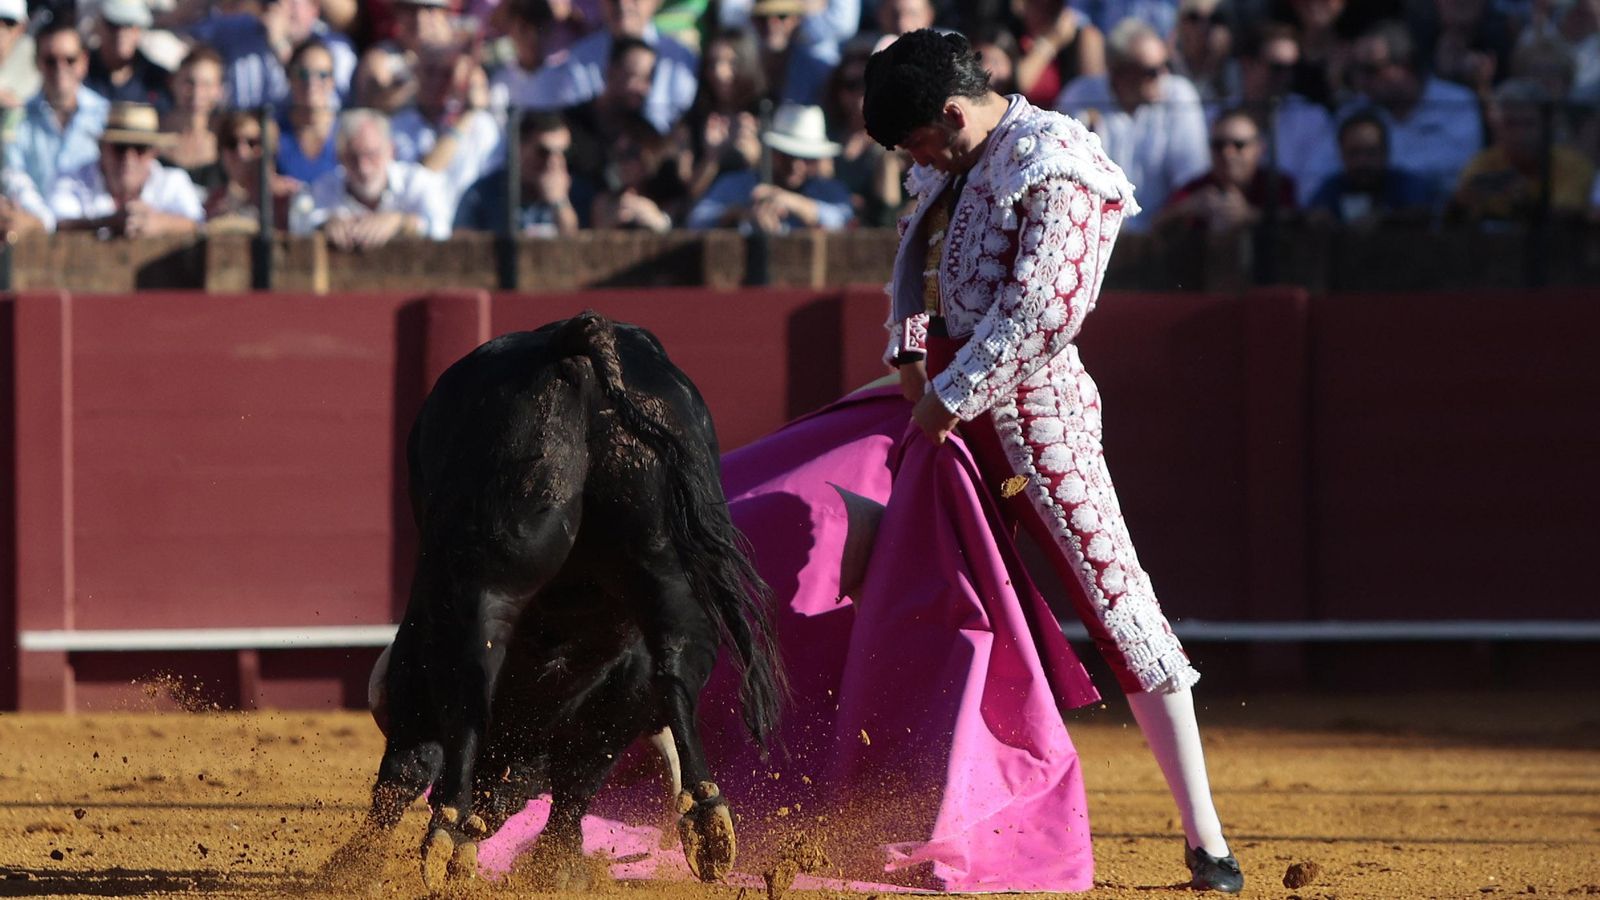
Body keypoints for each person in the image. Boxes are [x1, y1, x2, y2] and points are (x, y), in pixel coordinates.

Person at [863, 29, 1243, 892]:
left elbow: (1045, 310)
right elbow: (913, 252)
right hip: (948, 410)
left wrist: (944, 397)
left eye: (920, 142)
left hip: (1036, 418)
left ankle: (1207, 841)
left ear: (953, 114)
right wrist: (908, 347)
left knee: (1118, 601)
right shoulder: (951, 157)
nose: (916, 163)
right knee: (913, 592)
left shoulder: (1059, 159)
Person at [1054, 17, 1209, 231]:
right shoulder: (1079, 95)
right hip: (1094, 229)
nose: (1163, 75)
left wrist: (1156, 229)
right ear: (1120, 72)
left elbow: (1191, 181)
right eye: (1152, 71)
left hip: (1166, 233)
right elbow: (1066, 178)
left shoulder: (1179, 95)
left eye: (1166, 65)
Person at [1335, 18, 1483, 200]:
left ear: (1405, 65)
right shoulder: (1354, 110)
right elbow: (1330, 168)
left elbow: (1460, 168)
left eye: (1371, 70)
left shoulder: (1457, 102)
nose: (1361, 81)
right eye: (1356, 70)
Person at [289, 107, 454, 248]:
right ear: (340, 157)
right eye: (353, 157)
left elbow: (441, 229)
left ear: (391, 150)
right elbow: (299, 220)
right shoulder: (324, 187)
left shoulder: (419, 182)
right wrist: (325, 225)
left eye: (372, 155)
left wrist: (401, 223)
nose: (363, 167)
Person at [685, 101, 855, 233]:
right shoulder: (737, 184)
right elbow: (697, 220)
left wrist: (793, 203)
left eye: (806, 158)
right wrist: (739, 214)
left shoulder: (830, 191)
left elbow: (845, 219)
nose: (796, 165)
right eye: (787, 156)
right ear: (772, 151)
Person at [1448, 77, 1594, 224]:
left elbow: (1565, 217)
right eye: (1510, 124)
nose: (1519, 134)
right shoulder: (1483, 163)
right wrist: (1460, 204)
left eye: (1528, 124)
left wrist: (1525, 202)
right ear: (1494, 125)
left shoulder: (1574, 166)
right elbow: (1457, 217)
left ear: (1547, 126)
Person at [49, 100, 205, 237]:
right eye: (120, 148)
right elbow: (57, 224)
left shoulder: (174, 181)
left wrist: (160, 223)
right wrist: (108, 222)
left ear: (154, 152)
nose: (128, 159)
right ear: (102, 148)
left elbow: (198, 224)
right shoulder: (72, 179)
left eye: (139, 148)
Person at [188, 0, 358, 110]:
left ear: (314, 8)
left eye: (292, 2)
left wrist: (280, 45)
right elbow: (184, 33)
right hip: (240, 139)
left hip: (294, 144)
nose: (280, 6)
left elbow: (334, 105)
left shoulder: (335, 48)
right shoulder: (240, 27)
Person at [390, 43, 503, 208]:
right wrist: (466, 115)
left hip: (469, 226)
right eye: (430, 71)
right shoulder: (398, 125)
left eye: (446, 74)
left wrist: (471, 109)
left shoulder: (482, 125)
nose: (437, 81)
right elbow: (424, 173)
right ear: (416, 73)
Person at [6, 22, 110, 200]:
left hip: (94, 223)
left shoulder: (105, 115)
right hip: (34, 224)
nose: (60, 69)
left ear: (84, 61)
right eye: (50, 61)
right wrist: (44, 221)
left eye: (69, 60)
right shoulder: (18, 117)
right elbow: (13, 176)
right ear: (37, 62)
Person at [1156, 106, 1295, 232]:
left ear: (1259, 149)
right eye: (1219, 145)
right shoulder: (1194, 189)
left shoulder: (1277, 186)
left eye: (1239, 145)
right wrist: (1187, 208)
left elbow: (1299, 224)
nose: (1228, 153)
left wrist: (1250, 216)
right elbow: (1154, 226)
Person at [453, 111, 590, 235]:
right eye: (544, 152)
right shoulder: (481, 195)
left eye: (564, 153)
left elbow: (580, 251)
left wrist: (560, 204)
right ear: (519, 148)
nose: (555, 162)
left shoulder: (579, 194)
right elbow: (463, 249)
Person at [1304, 109, 1437, 226]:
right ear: (1341, 154)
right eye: (1354, 153)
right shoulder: (1332, 187)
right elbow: (1314, 213)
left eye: (1371, 153)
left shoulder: (1406, 184)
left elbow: (1421, 214)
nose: (1363, 161)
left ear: (1386, 152)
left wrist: (1385, 221)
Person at [204, 108, 300, 230]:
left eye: (252, 143)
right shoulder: (215, 202)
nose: (241, 153)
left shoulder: (292, 197)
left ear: (271, 148)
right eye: (231, 143)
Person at [158, 45, 227, 196]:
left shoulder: (229, 141)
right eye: (189, 83)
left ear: (219, 91)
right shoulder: (151, 136)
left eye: (206, 84)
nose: (197, 93)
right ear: (173, 83)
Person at [274, 39, 341, 185]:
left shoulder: (347, 132)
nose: (312, 82)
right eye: (303, 74)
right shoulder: (272, 130)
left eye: (322, 75)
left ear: (332, 81)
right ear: (290, 78)